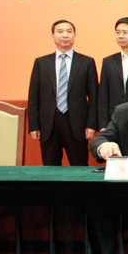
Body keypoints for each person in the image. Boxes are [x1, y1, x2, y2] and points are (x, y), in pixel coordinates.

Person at [28, 20, 98, 166]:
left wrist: (91, 124)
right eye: (60, 32)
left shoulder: (87, 62)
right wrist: (34, 126)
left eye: (69, 31)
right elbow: (34, 96)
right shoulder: (41, 63)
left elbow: (94, 97)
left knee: (79, 167)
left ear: (75, 36)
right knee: (50, 167)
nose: (65, 35)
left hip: (77, 125)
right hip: (49, 124)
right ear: (52, 36)